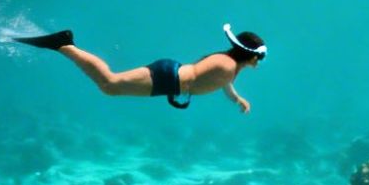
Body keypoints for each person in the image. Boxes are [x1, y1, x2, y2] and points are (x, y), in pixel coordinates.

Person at [15, 24, 264, 111]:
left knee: (110, 86)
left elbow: (223, 83)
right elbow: (216, 78)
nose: (259, 63)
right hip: (168, 78)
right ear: (249, 55)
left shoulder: (229, 66)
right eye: (259, 57)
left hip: (170, 75)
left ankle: (65, 44)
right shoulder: (227, 65)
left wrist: (237, 99)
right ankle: (64, 44)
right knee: (109, 85)